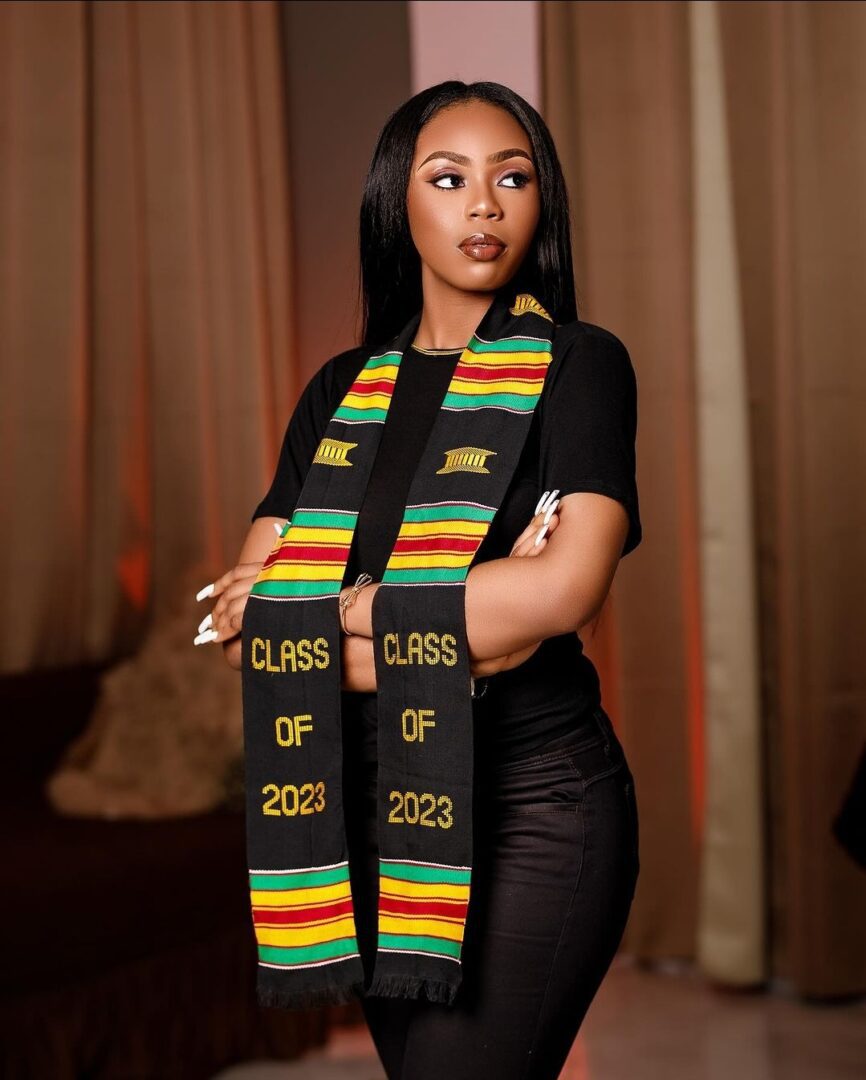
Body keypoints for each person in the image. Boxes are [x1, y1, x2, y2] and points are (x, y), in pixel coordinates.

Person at [197, 81, 642, 1080]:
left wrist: (345, 611)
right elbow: (246, 633)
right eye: (448, 179)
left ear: (541, 202)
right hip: (362, 811)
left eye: (511, 177)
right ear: (401, 201)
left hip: (535, 807)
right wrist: (468, 627)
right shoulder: (339, 390)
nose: (482, 205)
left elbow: (562, 595)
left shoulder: (579, 367)